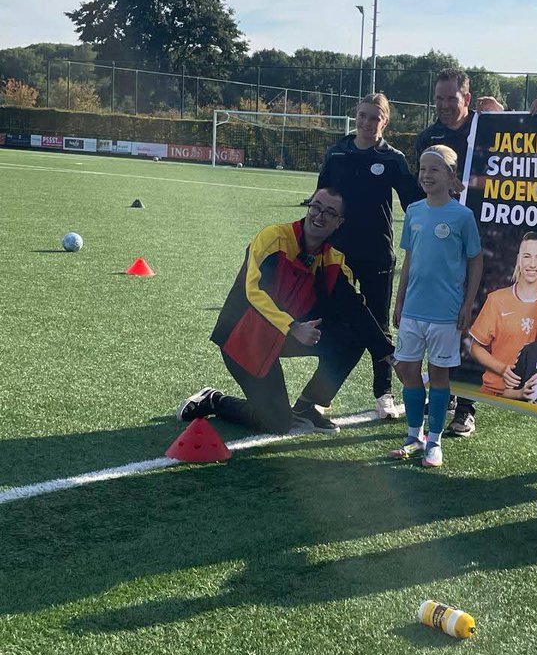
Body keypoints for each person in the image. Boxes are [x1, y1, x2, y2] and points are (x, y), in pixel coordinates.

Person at [177, 187, 393, 436]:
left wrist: (388, 353)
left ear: (338, 223)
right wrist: (292, 327)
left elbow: (355, 307)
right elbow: (253, 291)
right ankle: (214, 400)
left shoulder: (333, 259)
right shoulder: (273, 238)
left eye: (329, 213)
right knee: (277, 424)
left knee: (352, 338)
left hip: (285, 337)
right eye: (316, 207)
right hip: (245, 339)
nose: (319, 216)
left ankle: (306, 407)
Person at [318, 92, 421, 419]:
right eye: (362, 115)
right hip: (336, 256)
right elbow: (320, 200)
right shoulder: (337, 153)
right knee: (334, 325)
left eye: (374, 118)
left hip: (377, 255)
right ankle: (323, 394)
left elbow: (414, 204)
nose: (366, 123)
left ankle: (383, 394)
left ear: (384, 122)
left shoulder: (393, 159)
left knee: (378, 326)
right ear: (356, 116)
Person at [413, 68, 500, 438]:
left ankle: (467, 407)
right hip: (441, 249)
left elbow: (519, 144)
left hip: (480, 239)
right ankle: (444, 393)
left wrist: (501, 111)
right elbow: (420, 190)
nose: (445, 106)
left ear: (467, 97)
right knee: (442, 321)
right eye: (439, 98)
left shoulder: (486, 128)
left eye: (452, 98)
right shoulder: (426, 138)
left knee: (473, 322)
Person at [389, 145, 483, 469]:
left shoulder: (462, 216)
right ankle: (413, 435)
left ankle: (434, 441)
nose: (426, 175)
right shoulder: (414, 211)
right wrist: (399, 301)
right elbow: (410, 259)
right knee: (408, 371)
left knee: (439, 376)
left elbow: (476, 262)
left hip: (445, 312)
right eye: (423, 169)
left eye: (434, 169)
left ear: (450, 176)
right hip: (413, 309)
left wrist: (468, 305)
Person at [469, 232, 537, 394]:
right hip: (494, 391)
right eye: (527, 256)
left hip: (534, 395)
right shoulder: (496, 299)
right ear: (519, 259)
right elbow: (475, 348)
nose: (532, 264)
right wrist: (502, 369)